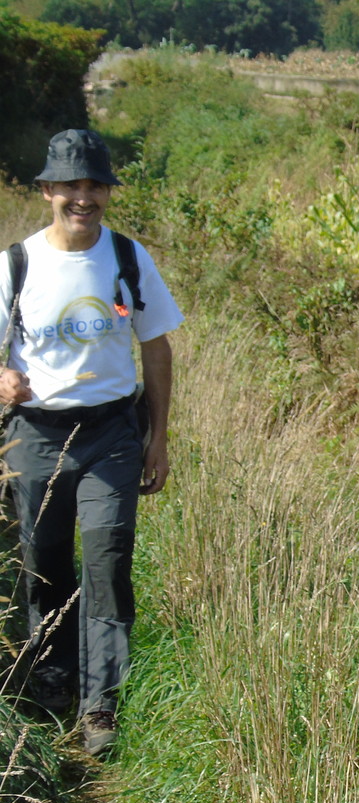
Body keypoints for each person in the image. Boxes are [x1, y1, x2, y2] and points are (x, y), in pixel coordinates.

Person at [1, 129, 183, 756]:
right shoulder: (17, 264)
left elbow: (156, 347)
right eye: (71, 185)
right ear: (47, 191)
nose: (84, 197)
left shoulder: (128, 257)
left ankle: (100, 703)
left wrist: (158, 438)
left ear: (108, 192)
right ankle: (52, 679)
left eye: (95, 185)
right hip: (35, 435)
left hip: (112, 433)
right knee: (44, 560)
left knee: (108, 558)